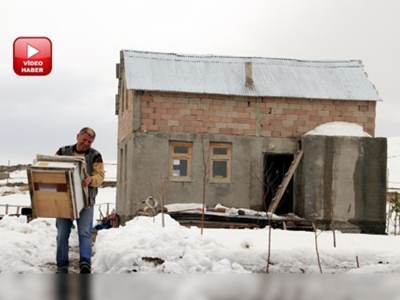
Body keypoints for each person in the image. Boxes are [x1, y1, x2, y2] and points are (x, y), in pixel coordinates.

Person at [55, 127, 105, 274]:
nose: (86, 143)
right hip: (65, 201)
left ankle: (85, 264)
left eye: (89, 141)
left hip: (86, 201)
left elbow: (100, 175)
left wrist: (91, 179)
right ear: (77, 137)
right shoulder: (63, 151)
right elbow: (53, 166)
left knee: (84, 233)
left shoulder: (95, 155)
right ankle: (62, 266)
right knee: (62, 234)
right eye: (84, 139)